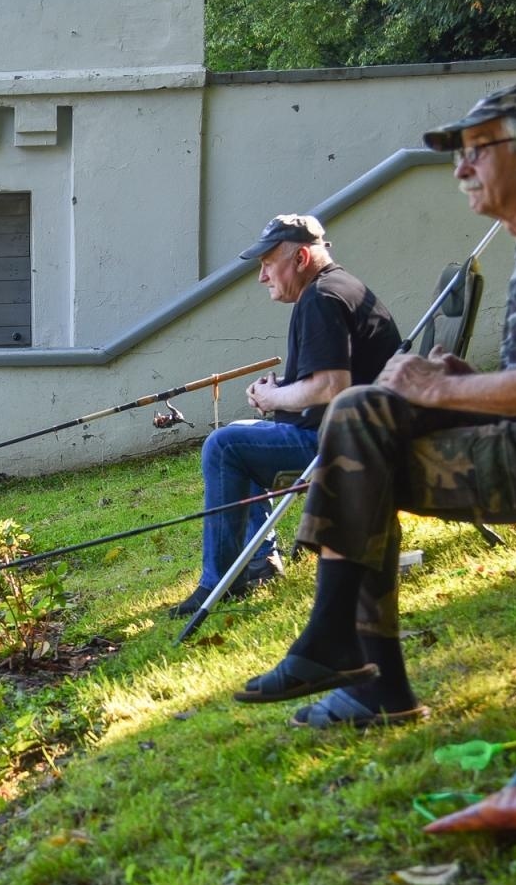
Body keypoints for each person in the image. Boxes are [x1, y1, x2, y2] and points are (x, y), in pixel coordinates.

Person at [235, 83, 516, 728]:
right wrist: (468, 382)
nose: (461, 168)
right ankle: (341, 650)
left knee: (362, 455)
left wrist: (441, 390)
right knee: (362, 415)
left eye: (477, 150)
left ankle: (357, 665)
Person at [167, 214, 401, 618]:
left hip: (348, 448)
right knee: (240, 435)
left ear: (301, 258)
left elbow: (332, 386)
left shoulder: (322, 299)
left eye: (267, 264)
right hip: (367, 435)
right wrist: (277, 393)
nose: (262, 277)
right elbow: (327, 382)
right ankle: (260, 563)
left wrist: (274, 396)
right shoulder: (339, 287)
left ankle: (217, 584)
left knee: (224, 446)